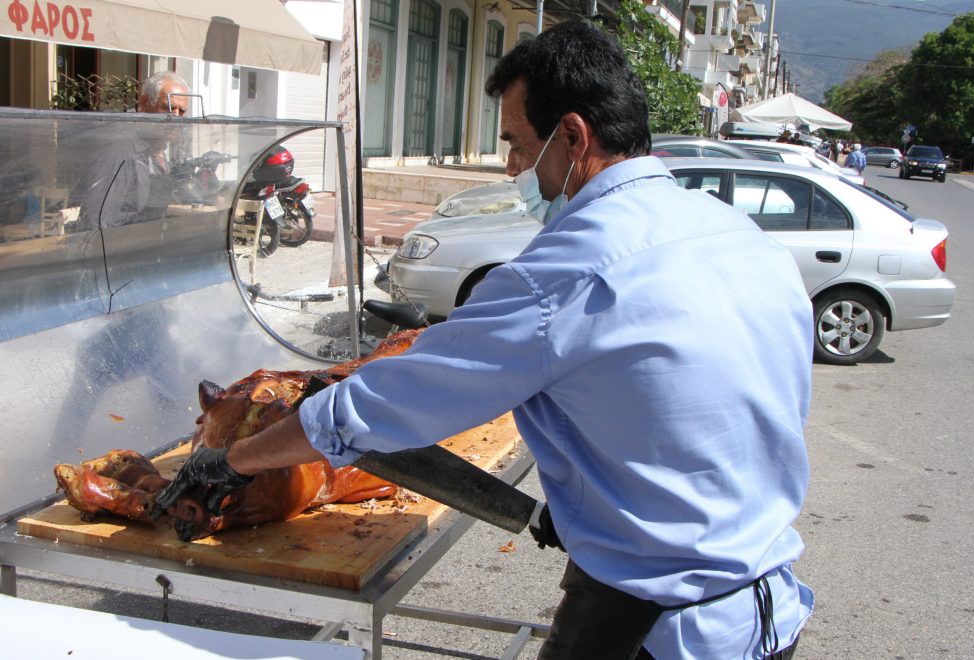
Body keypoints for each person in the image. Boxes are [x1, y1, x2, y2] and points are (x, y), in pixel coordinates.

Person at [156, 20, 813, 660]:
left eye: (520, 145)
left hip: (649, 628)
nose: (511, 167)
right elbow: (720, 413)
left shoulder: (573, 266)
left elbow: (377, 408)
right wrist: (605, 498)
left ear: (574, 136)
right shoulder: (739, 236)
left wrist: (234, 461)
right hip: (767, 613)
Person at [72, 71, 190, 229]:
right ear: (144, 103)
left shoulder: (158, 151)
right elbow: (96, 220)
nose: (175, 119)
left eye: (181, 112)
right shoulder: (120, 150)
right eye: (167, 108)